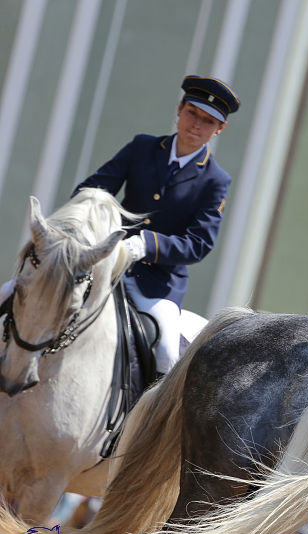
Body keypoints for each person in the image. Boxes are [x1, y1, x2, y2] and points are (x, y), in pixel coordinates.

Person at [75, 75, 240, 377]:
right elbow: (92, 190)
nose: (196, 125)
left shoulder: (215, 180)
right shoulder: (142, 147)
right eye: (192, 113)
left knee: (165, 351)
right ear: (179, 108)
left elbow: (198, 244)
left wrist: (146, 244)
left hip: (155, 283)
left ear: (219, 129)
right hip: (105, 261)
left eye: (207, 121)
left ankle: (145, 422)